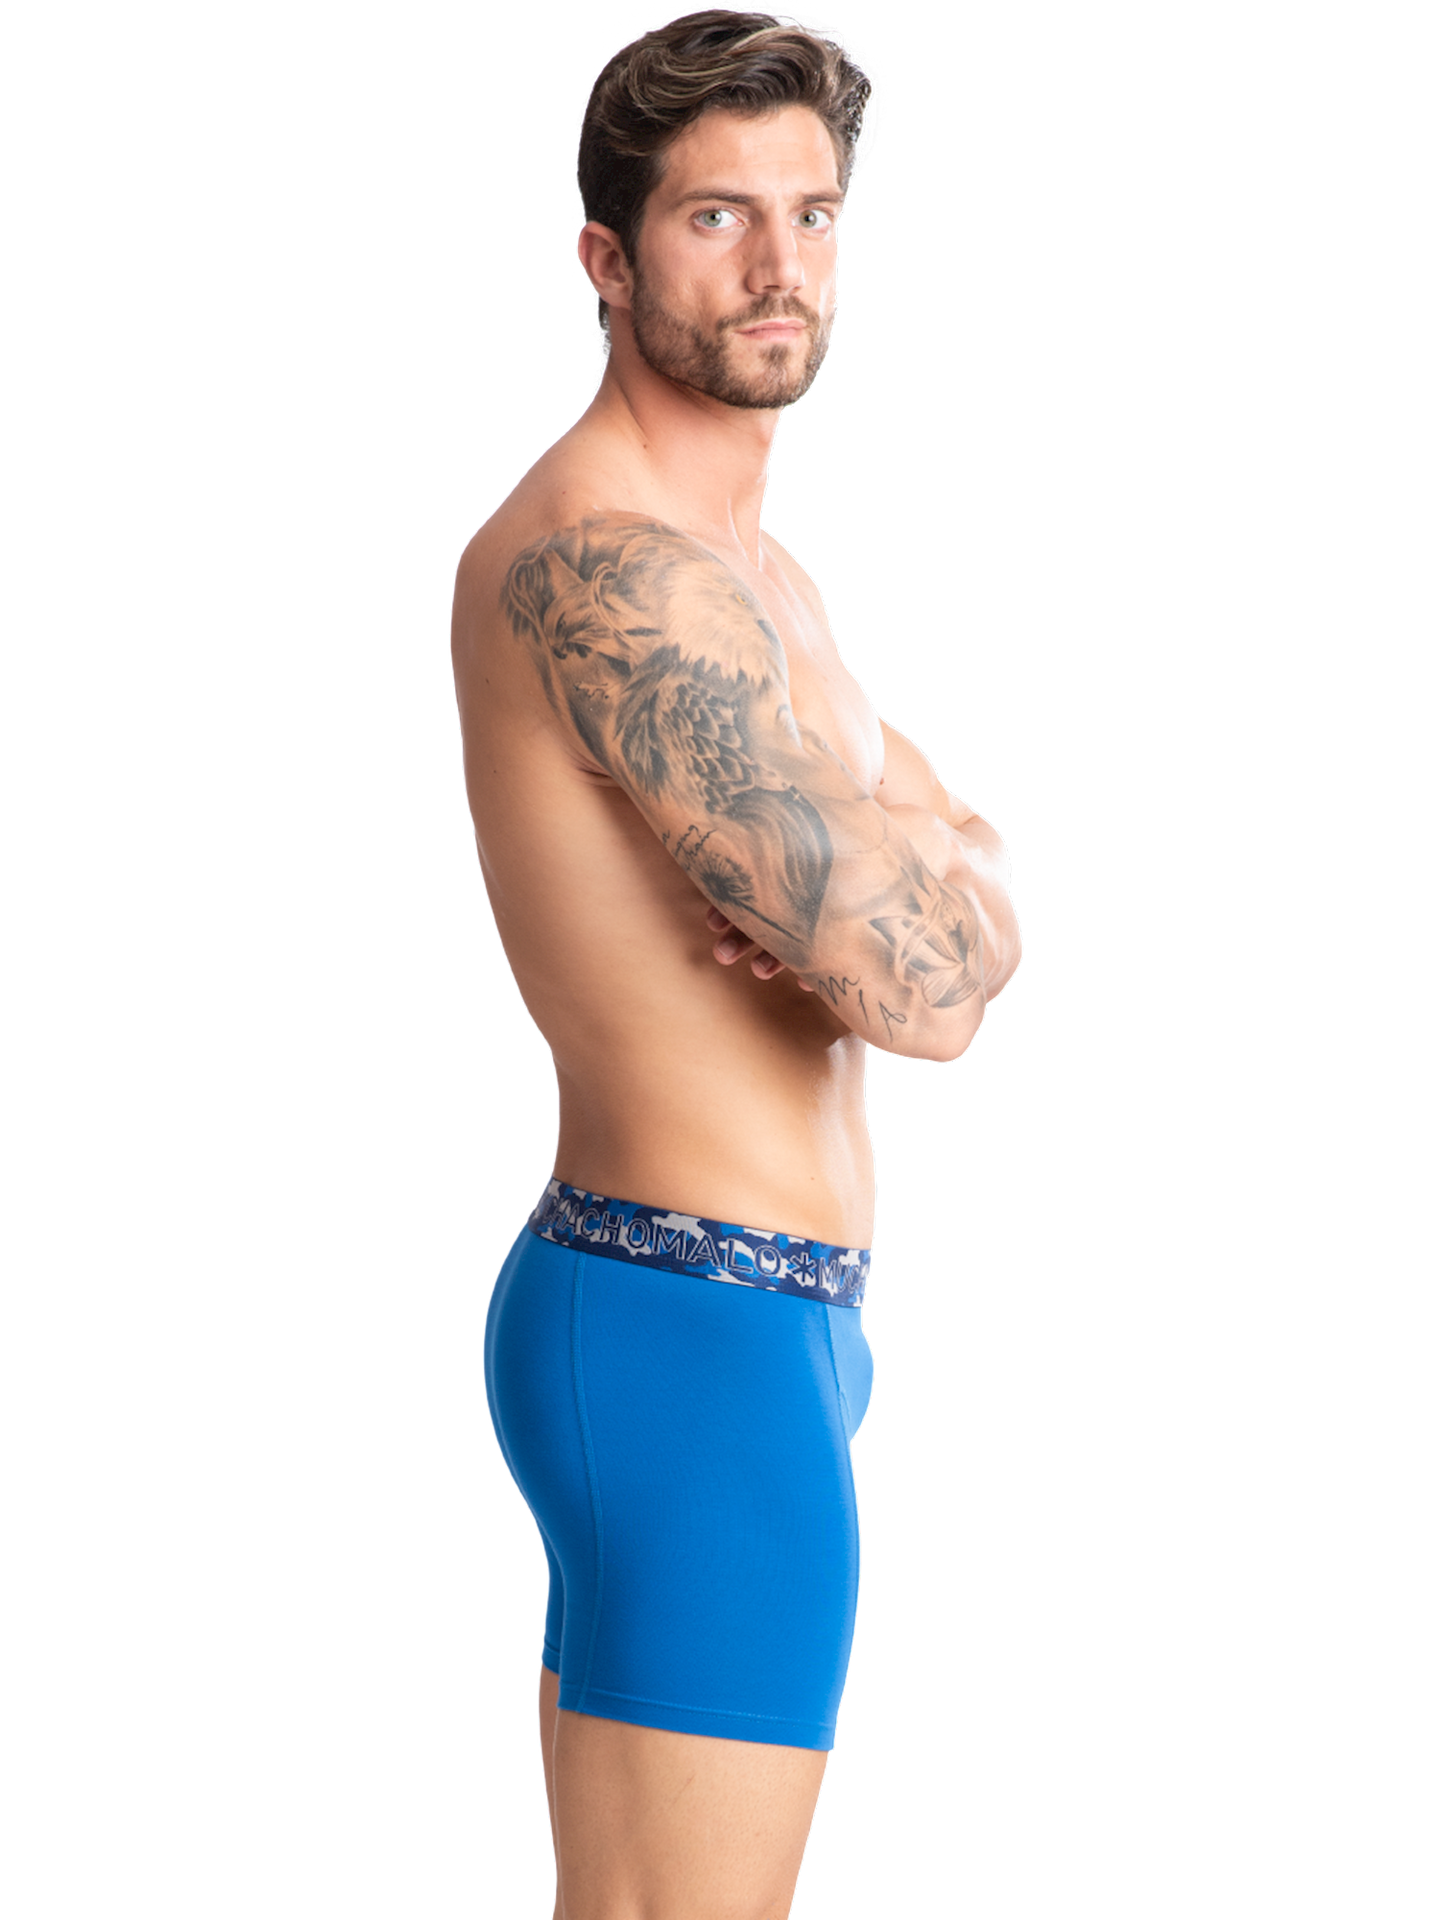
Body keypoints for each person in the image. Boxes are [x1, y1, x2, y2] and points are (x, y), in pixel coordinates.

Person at [453, 12, 1023, 1915]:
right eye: (717, 216)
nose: (781, 265)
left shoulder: (765, 578)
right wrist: (892, 862)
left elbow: (956, 903)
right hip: (684, 1323)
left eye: (815, 214)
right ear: (607, 256)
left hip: (752, 1325)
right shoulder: (609, 567)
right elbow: (926, 996)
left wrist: (904, 861)